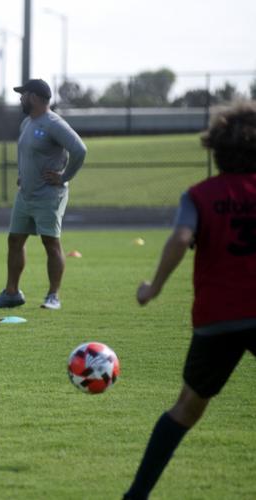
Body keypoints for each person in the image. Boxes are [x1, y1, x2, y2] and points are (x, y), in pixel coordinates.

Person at [124, 103, 256, 499]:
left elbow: (182, 238)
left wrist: (154, 288)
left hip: (218, 318)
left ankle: (136, 496)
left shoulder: (199, 195)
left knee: (187, 408)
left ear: (214, 149)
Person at [0, 78, 87, 310]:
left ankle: (53, 296)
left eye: (23, 94)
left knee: (50, 242)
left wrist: (64, 177)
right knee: (14, 240)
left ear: (33, 97)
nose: (20, 98)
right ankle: (11, 293)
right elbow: (29, 153)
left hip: (49, 195)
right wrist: (23, 174)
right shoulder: (27, 123)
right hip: (25, 195)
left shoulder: (53, 123)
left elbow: (79, 150)